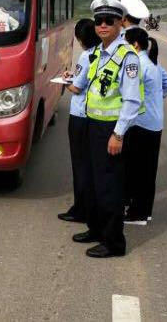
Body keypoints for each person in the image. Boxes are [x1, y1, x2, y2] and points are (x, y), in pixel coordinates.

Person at [71, 0, 144, 258]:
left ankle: (114, 242)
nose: (102, 26)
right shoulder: (99, 53)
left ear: (120, 24)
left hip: (110, 129)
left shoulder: (128, 57)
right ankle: (96, 228)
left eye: (108, 21)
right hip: (92, 124)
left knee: (109, 187)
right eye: (98, 21)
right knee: (91, 181)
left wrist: (118, 134)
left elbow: (132, 100)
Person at [123, 27, 167, 225]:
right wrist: (156, 101)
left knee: (138, 170)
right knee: (147, 169)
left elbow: (128, 93)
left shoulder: (137, 64)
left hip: (141, 124)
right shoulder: (153, 62)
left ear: (135, 45)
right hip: (155, 122)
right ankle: (144, 211)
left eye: (126, 43)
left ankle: (138, 214)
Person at [58, 19, 101, 223]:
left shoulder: (86, 56)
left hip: (80, 115)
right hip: (92, 115)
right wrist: (72, 76)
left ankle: (81, 209)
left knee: (80, 165)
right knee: (88, 165)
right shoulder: (101, 53)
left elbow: (77, 87)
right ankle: (86, 207)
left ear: (81, 38)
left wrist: (66, 81)